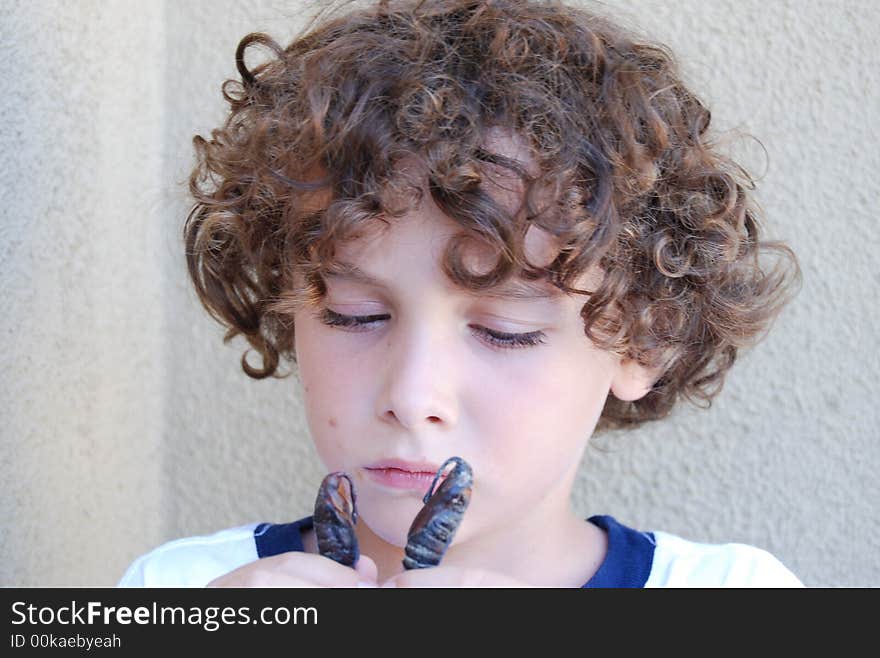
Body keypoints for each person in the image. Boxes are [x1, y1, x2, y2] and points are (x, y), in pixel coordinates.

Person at [118, 0, 803, 587]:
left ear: (644, 338)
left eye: (504, 330)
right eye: (355, 315)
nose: (413, 398)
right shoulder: (179, 592)